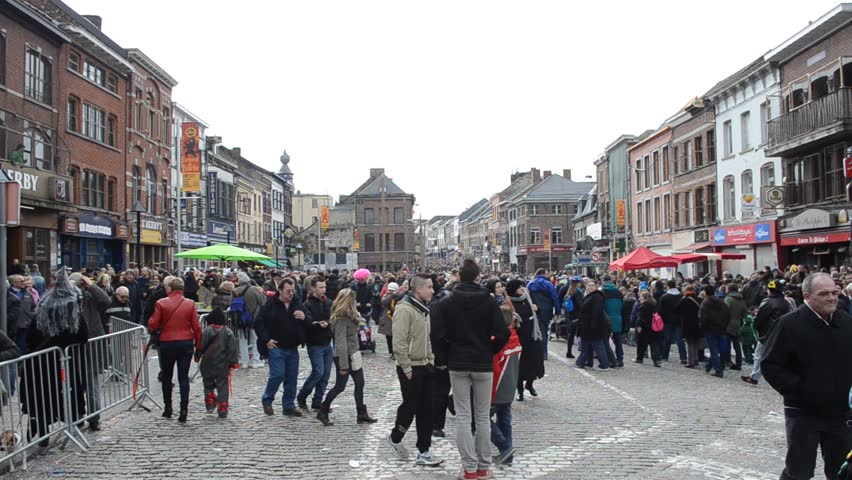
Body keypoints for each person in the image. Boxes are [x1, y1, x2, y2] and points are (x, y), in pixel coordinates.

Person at [762, 273, 852, 480]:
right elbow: (771, 365)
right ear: (807, 296)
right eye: (824, 294)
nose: (831, 298)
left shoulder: (846, 322)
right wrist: (801, 390)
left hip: (841, 414)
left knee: (842, 469)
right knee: (799, 471)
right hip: (803, 413)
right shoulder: (788, 324)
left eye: (834, 293)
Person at [432, 260, 508, 478]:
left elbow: (437, 334)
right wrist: (489, 349)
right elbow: (502, 333)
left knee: (464, 416)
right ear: (478, 277)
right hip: (482, 362)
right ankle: (483, 467)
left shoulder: (448, 301)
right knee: (483, 416)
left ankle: (469, 468)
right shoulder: (489, 301)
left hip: (457, 363)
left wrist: (447, 354)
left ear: (459, 277)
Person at [23, 269, 87, 450]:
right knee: (65, 395)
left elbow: (31, 336)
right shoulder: (73, 309)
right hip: (62, 362)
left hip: (41, 364)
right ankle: (70, 424)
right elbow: (83, 336)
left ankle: (43, 434)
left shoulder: (43, 307)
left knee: (42, 399)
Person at [386, 273, 443, 467]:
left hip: (425, 365)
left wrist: (431, 359)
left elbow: (426, 338)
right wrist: (406, 366)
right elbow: (399, 341)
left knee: (427, 409)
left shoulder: (423, 309)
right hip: (411, 367)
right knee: (410, 407)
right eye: (429, 287)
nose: (432, 290)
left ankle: (424, 451)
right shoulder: (405, 309)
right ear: (418, 289)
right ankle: (395, 437)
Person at [316, 288, 378, 426]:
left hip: (353, 353)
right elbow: (340, 342)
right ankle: (323, 409)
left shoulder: (351, 315)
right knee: (340, 386)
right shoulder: (341, 318)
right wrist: (343, 365)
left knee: (360, 383)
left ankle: (361, 413)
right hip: (345, 356)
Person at [148, 277, 201, 423]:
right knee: (183, 378)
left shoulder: (161, 303)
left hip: (167, 343)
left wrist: (152, 327)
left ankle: (168, 408)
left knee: (167, 376)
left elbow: (153, 323)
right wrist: (199, 346)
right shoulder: (190, 304)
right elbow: (197, 326)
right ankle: (184, 410)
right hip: (185, 342)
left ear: (169, 288)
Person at [254, 278, 310, 417]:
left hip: (292, 347)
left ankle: (288, 405)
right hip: (276, 347)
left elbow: (309, 320)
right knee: (278, 375)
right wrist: (266, 340)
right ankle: (267, 399)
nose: (291, 293)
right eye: (288, 291)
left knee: (292, 378)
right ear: (280, 290)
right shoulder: (270, 305)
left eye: (293, 291)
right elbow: (258, 323)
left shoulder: (297, 304)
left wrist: (304, 317)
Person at [68, 272, 111, 431]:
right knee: (73, 385)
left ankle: (94, 418)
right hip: (71, 348)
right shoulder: (66, 299)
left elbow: (106, 301)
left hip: (90, 345)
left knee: (91, 383)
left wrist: (91, 286)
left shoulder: (90, 297)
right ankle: (77, 417)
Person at [490, 306, 521, 467]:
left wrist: (489, 394)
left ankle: (505, 447)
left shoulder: (500, 341)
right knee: (504, 420)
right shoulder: (515, 336)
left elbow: (496, 370)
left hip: (498, 389)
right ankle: (506, 454)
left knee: (481, 419)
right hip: (510, 387)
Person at [742, 280, 790, 386]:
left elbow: (760, 318)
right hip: (780, 332)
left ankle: (754, 376)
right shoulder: (785, 302)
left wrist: (756, 327)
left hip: (767, 333)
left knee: (759, 355)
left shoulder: (767, 302)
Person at [298, 276, 334, 412]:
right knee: (318, 372)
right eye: (320, 287)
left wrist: (328, 323)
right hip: (314, 342)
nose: (323, 290)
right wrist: (317, 324)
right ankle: (302, 395)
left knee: (326, 374)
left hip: (326, 341)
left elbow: (333, 317)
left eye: (324, 287)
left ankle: (317, 401)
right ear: (313, 288)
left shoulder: (329, 302)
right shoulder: (307, 304)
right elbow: (306, 322)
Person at [195, 307, 239, 419]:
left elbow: (201, 345)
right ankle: (222, 408)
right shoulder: (228, 332)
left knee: (208, 382)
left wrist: (197, 355)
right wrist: (233, 362)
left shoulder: (207, 330)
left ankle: (210, 402)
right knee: (222, 385)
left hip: (208, 362)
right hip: (222, 363)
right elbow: (232, 349)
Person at [507, 279, 543, 401]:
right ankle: (520, 390)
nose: (521, 289)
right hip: (519, 337)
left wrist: (537, 308)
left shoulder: (527, 295)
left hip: (532, 336)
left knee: (533, 363)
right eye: (519, 287)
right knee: (520, 365)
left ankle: (530, 384)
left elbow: (538, 309)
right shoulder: (509, 301)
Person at [575, 281, 611, 370]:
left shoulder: (597, 297)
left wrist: (593, 325)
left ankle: (604, 364)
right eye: (589, 285)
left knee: (598, 345)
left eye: (593, 285)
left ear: (596, 287)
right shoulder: (588, 296)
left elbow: (596, 312)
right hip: (586, 325)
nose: (591, 287)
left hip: (593, 326)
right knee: (586, 345)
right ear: (586, 287)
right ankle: (583, 362)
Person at [233, 273, 266, 368]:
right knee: (255, 340)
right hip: (254, 318)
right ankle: (255, 360)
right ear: (248, 281)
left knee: (242, 340)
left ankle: (244, 361)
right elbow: (262, 302)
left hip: (240, 319)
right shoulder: (254, 289)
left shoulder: (235, 291)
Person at [527, 269, 559, 362]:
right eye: (546, 273)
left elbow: (528, 297)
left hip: (535, 310)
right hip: (547, 311)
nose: (548, 275)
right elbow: (554, 298)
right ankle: (543, 352)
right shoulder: (548, 284)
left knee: (536, 330)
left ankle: (537, 352)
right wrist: (557, 311)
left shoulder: (530, 284)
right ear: (542, 274)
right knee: (544, 331)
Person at [698, 285, 729, 378]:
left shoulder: (706, 303)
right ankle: (708, 367)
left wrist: (703, 327)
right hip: (721, 328)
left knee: (713, 350)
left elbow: (703, 317)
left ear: (705, 292)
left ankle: (718, 370)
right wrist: (724, 325)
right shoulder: (721, 302)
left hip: (710, 329)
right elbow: (727, 314)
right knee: (718, 348)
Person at [658, 279, 686, 364]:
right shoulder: (681, 295)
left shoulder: (664, 297)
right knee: (680, 339)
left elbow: (660, 310)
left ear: (668, 286)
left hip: (667, 320)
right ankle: (683, 357)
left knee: (667, 338)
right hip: (678, 320)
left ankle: (664, 355)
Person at [675, 285, 702, 368]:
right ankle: (696, 359)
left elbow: (677, 309)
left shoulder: (685, 300)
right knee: (696, 342)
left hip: (688, 323)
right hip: (698, 323)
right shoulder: (699, 299)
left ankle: (691, 362)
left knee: (690, 343)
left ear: (686, 291)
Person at [600, 276, 625, 367]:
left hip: (606, 319)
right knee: (618, 340)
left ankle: (609, 359)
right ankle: (620, 359)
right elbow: (622, 306)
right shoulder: (618, 292)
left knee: (606, 341)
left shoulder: (602, 292)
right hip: (618, 318)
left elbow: (602, 307)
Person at [723, 283, 747, 371]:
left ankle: (727, 361)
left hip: (728, 323)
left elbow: (725, 311)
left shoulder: (728, 299)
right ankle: (739, 363)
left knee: (727, 344)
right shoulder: (741, 299)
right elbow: (745, 313)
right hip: (738, 323)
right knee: (737, 345)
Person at [635, 290, 661, 367]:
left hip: (645, 327)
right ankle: (656, 360)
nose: (640, 298)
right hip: (653, 327)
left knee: (641, 344)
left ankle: (639, 358)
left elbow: (641, 318)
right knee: (654, 345)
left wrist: (639, 326)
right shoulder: (653, 305)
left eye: (641, 297)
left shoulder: (643, 306)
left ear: (644, 298)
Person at [379, 282, 404, 359]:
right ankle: (391, 351)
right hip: (388, 318)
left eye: (392, 290)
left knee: (395, 337)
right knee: (388, 336)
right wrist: (392, 295)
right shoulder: (386, 296)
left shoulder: (399, 296)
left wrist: (395, 295)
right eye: (389, 290)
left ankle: (395, 352)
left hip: (397, 317)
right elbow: (384, 302)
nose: (390, 291)